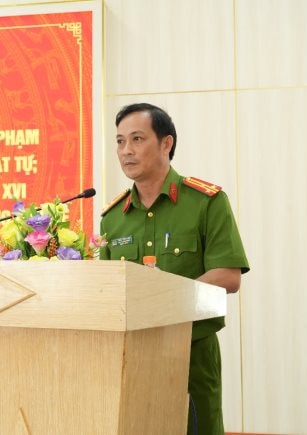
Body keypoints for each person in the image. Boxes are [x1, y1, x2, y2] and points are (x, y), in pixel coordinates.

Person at [99, 103, 249, 435]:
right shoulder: (113, 218)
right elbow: (107, 291)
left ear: (166, 143)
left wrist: (161, 303)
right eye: (120, 141)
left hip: (192, 354)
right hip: (131, 358)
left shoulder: (206, 202)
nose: (126, 151)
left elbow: (228, 275)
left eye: (137, 139)